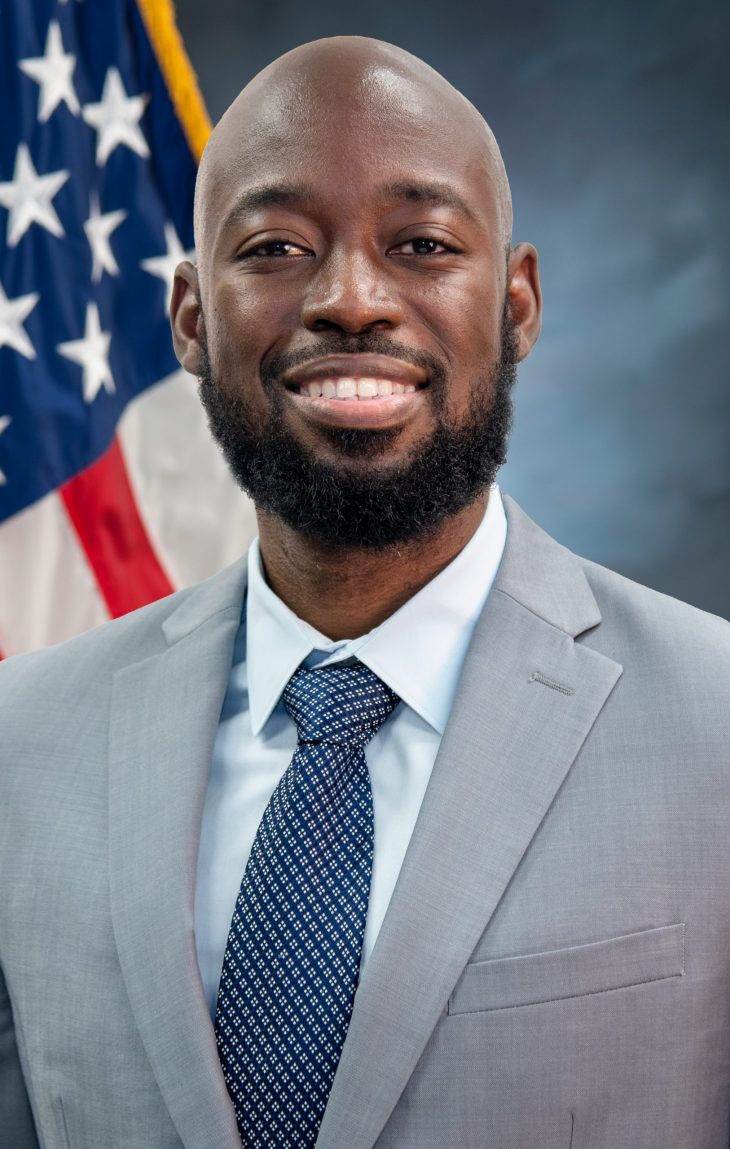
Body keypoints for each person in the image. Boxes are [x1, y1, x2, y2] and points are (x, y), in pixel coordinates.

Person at [1, 34, 728, 1149]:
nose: (350, 299)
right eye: (278, 245)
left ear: (516, 301)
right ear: (192, 316)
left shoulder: (716, 727)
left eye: (423, 243)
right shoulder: (21, 745)